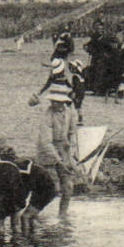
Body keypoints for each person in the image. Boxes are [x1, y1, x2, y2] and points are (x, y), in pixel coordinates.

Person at [0, 143, 57, 240]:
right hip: (41, 186)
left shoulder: (12, 169)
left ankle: (26, 238)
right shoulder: (15, 166)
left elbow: (22, 191)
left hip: (47, 189)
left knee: (25, 217)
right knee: (23, 217)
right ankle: (30, 235)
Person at [31, 83, 78, 219]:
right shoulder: (47, 115)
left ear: (63, 101)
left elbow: (72, 133)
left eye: (57, 101)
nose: (54, 103)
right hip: (47, 153)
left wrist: (71, 153)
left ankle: (62, 216)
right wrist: (58, 160)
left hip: (63, 150)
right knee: (52, 189)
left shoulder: (70, 113)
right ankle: (35, 213)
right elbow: (46, 142)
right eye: (53, 101)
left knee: (68, 188)